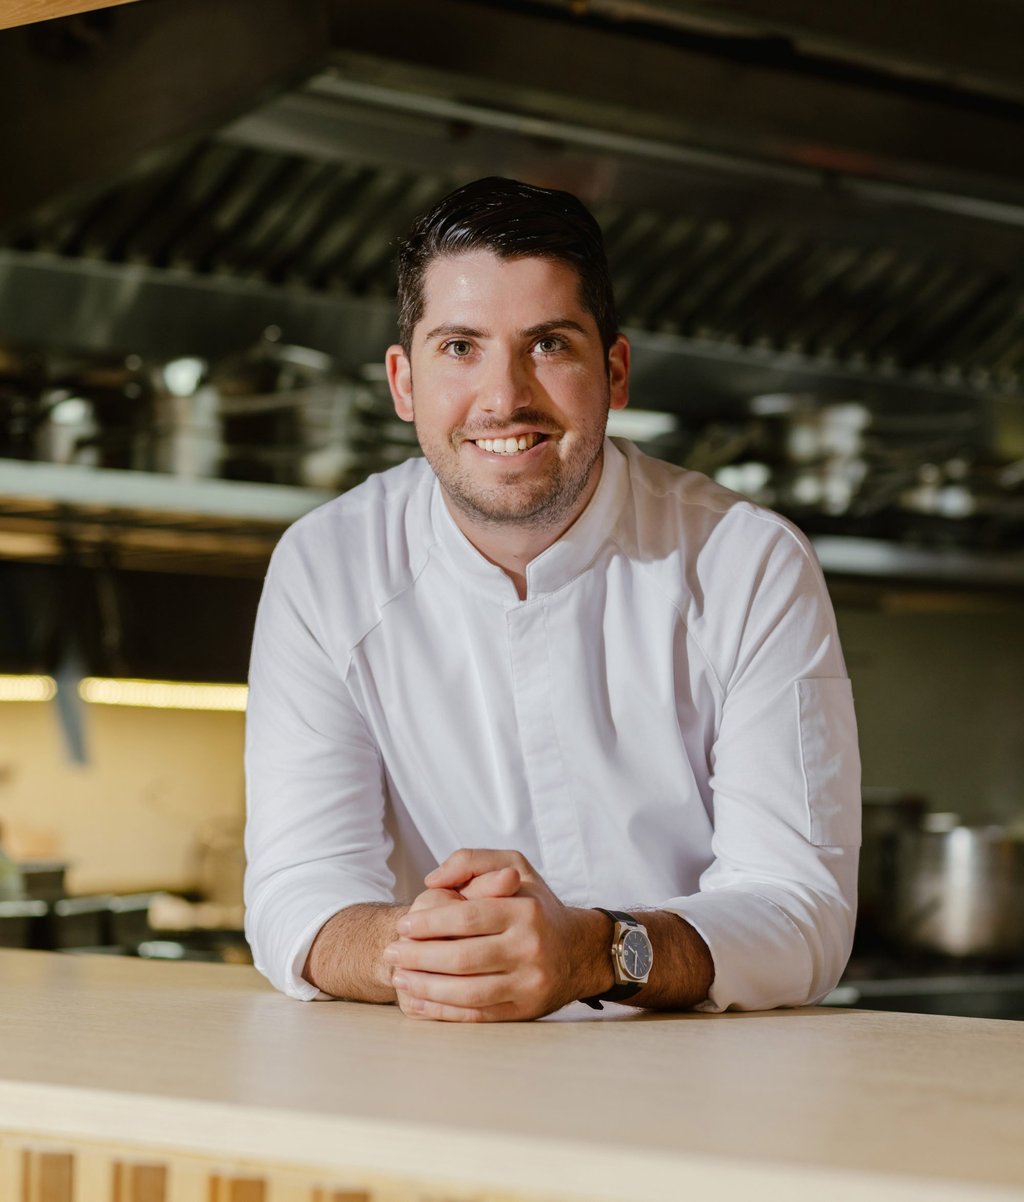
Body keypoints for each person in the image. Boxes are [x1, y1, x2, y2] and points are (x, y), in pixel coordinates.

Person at [244, 176, 860, 1022]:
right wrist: (445, 953)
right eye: (460, 347)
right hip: (438, 1081)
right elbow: (296, 889)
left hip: (700, 1093)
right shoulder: (326, 565)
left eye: (549, 345)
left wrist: (591, 953)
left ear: (614, 370)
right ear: (403, 383)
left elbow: (801, 911)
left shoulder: (748, 564)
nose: (503, 398)